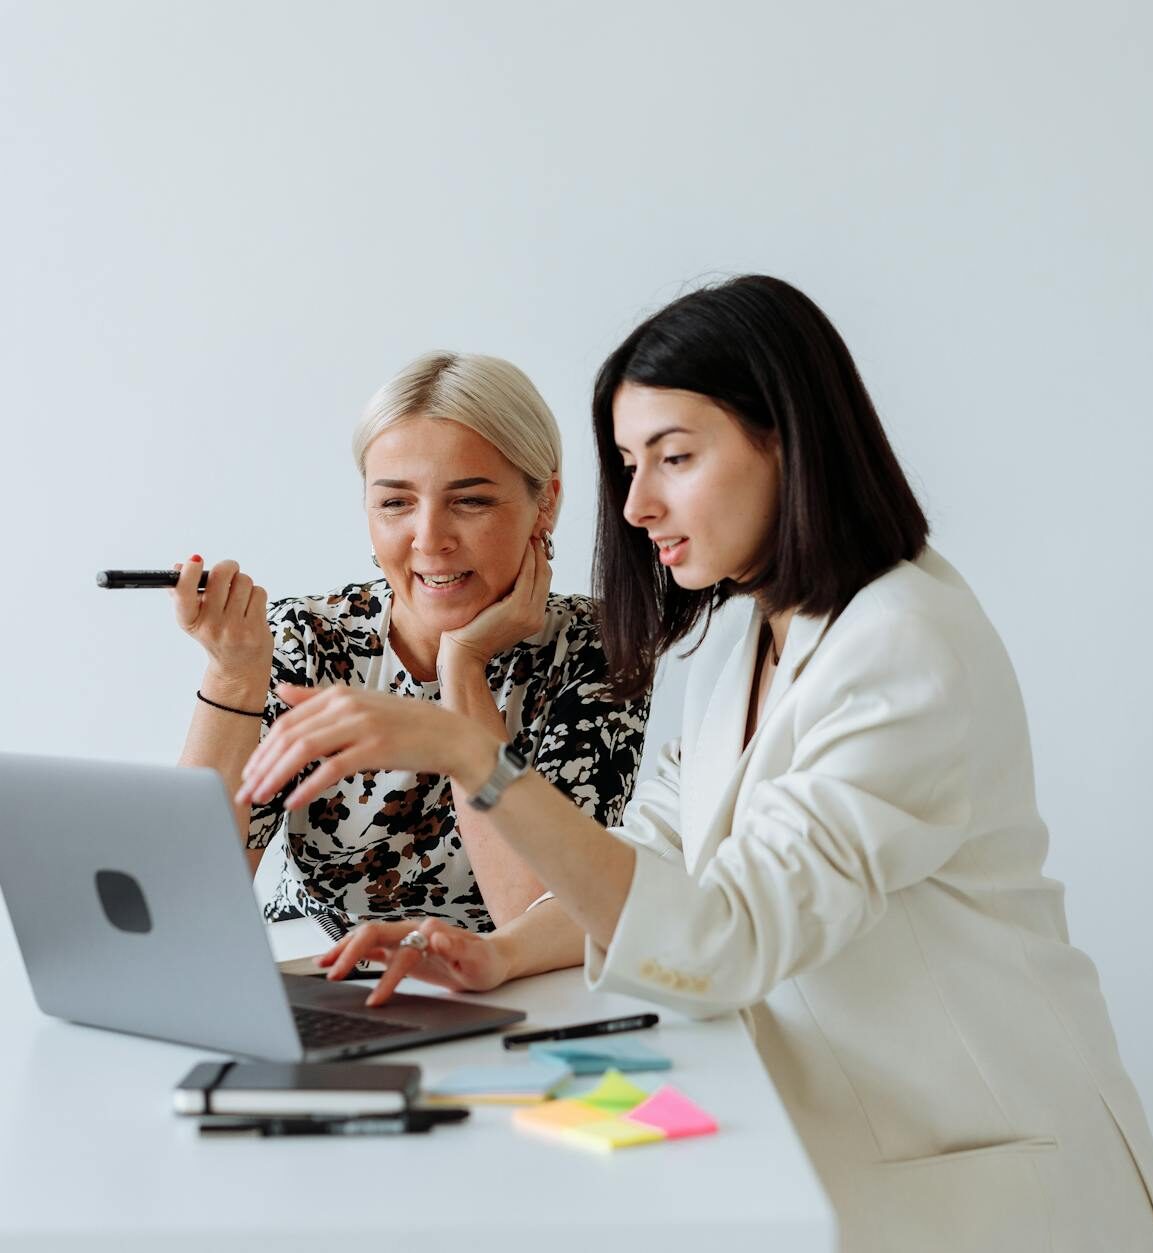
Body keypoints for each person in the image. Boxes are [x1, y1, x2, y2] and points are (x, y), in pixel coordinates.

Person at [237, 279, 1153, 1252]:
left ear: (786, 442)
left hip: (990, 1190)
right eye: (630, 464)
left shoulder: (902, 646)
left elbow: (727, 937)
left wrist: (468, 747)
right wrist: (500, 954)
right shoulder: (755, 637)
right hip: (845, 1164)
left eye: (674, 457)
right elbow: (649, 859)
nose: (634, 503)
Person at [174, 350, 649, 975]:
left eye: (470, 501)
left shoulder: (597, 649)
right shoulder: (307, 640)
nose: (430, 538)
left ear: (546, 504)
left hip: (517, 985)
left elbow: (534, 911)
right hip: (328, 975)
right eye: (396, 503)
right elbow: (187, 901)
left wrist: (463, 669)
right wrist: (232, 675)